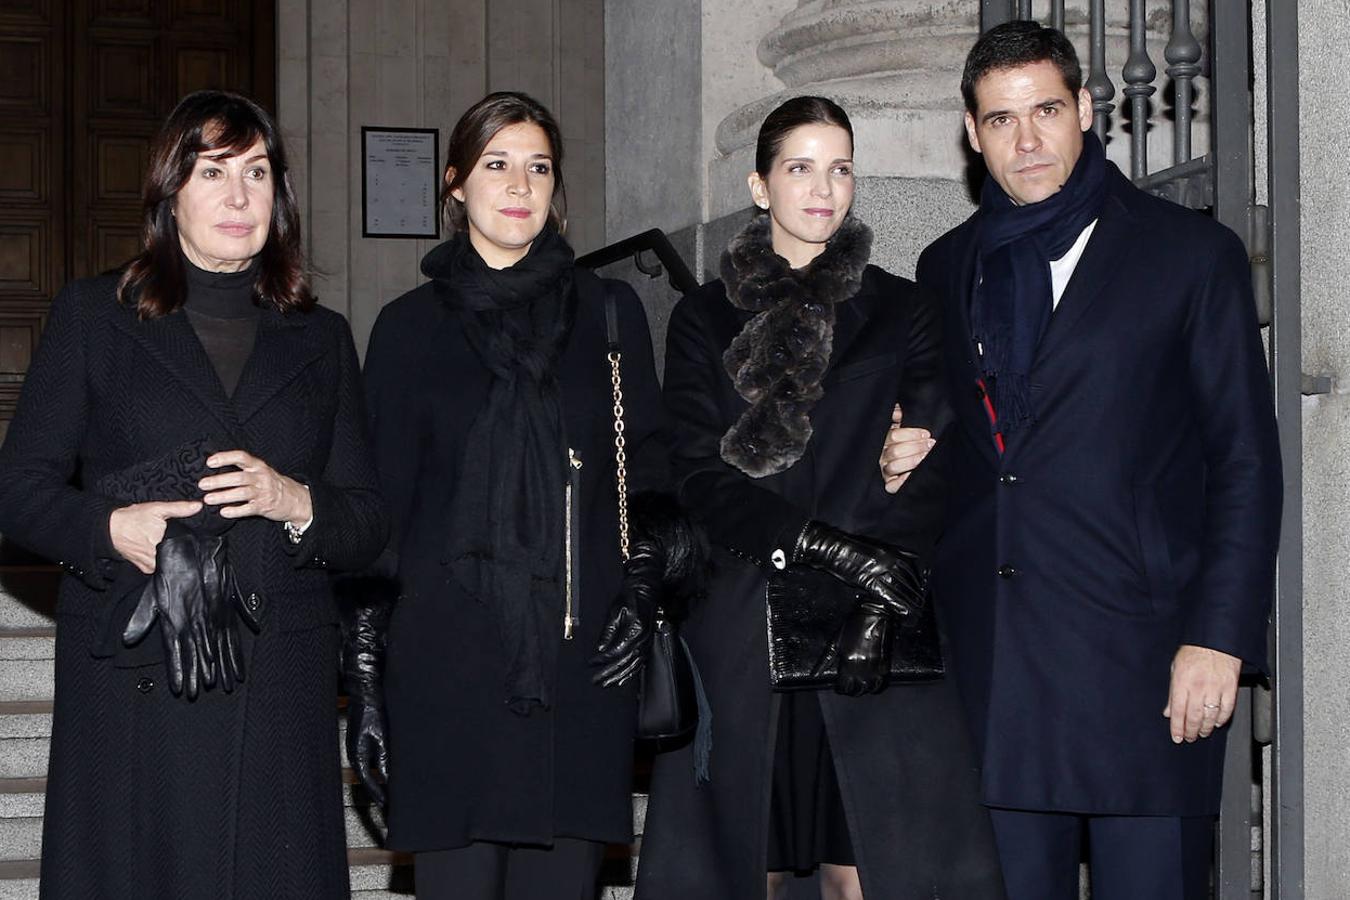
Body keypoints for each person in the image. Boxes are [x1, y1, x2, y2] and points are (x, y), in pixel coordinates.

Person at [880, 21, 1282, 900]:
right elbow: (968, 443)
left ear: (1087, 110)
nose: (1026, 141)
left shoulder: (1188, 254)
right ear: (972, 133)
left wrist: (1217, 638)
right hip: (997, 669)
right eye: (1000, 120)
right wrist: (906, 450)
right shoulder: (946, 268)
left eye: (1046, 111)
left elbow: (1244, 461)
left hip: (1144, 667)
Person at [0, 90, 388, 899]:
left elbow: (367, 520)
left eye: (257, 173)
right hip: (139, 666)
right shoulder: (92, 316)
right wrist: (112, 528)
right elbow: (17, 490)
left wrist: (295, 501)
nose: (240, 196)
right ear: (171, 189)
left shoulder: (321, 338)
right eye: (214, 172)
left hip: (278, 671)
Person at [636, 96, 1005, 900]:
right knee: (750, 868)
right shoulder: (701, 318)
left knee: (867, 870)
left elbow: (931, 463)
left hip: (870, 624)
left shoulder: (903, 308)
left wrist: (877, 594)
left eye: (839, 168)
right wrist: (820, 547)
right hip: (741, 615)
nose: (823, 188)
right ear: (760, 185)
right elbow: (698, 472)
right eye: (800, 167)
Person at [351, 91, 684, 900]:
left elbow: (649, 475)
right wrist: (365, 674)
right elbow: (375, 509)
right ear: (455, 183)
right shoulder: (407, 327)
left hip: (579, 664)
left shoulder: (609, 314)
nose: (519, 184)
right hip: (446, 664)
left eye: (538, 167)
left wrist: (642, 594)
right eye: (497, 164)